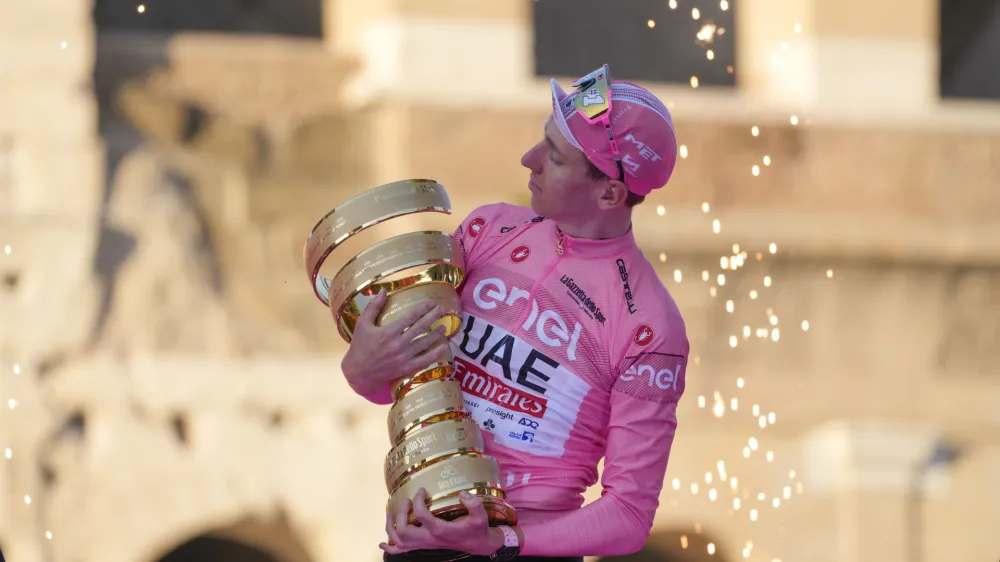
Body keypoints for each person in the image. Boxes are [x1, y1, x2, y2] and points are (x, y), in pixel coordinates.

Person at [342, 64, 689, 562]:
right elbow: (397, 382)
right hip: (420, 536)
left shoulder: (651, 326)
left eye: (554, 155)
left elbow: (629, 516)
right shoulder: (489, 228)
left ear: (610, 193)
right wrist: (361, 368)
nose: (529, 160)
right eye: (542, 140)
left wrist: (504, 541)